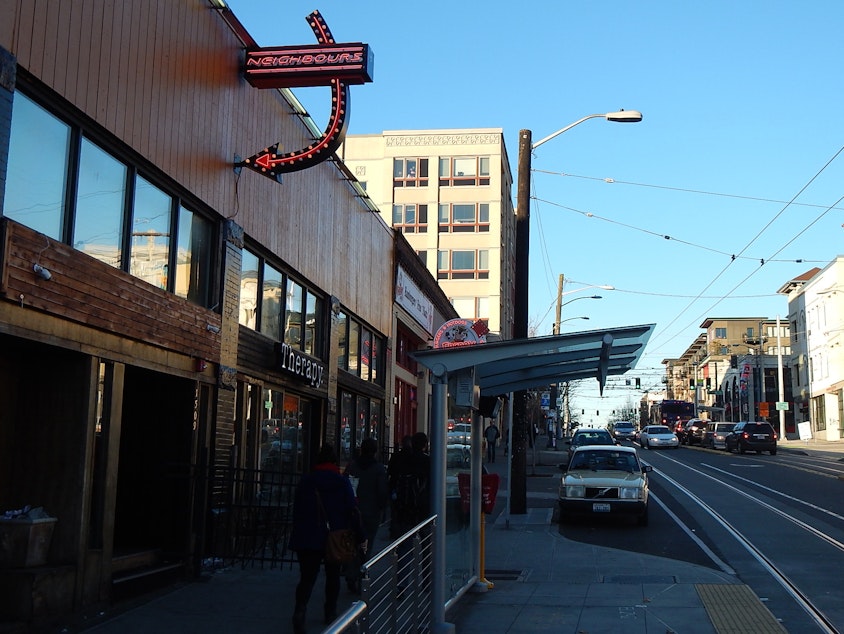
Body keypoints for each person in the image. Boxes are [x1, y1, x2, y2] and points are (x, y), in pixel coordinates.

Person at [288, 444, 365, 634]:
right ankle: (330, 612)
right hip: (335, 537)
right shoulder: (341, 482)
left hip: (308, 535)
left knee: (307, 578)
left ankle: (300, 610)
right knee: (332, 576)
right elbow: (352, 509)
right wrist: (359, 535)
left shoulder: (306, 481)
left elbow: (297, 509)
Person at [343, 437, 389, 593]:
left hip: (353, 510)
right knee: (365, 545)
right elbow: (382, 491)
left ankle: (351, 572)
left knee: (352, 542)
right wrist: (382, 507)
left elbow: (345, 485)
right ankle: (360, 571)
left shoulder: (352, 466)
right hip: (370, 512)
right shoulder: (378, 469)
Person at [388, 432, 431, 538]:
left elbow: (392, 474)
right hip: (421, 502)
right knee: (424, 534)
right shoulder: (427, 461)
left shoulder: (402, 459)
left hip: (404, 502)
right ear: (425, 445)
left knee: (405, 535)